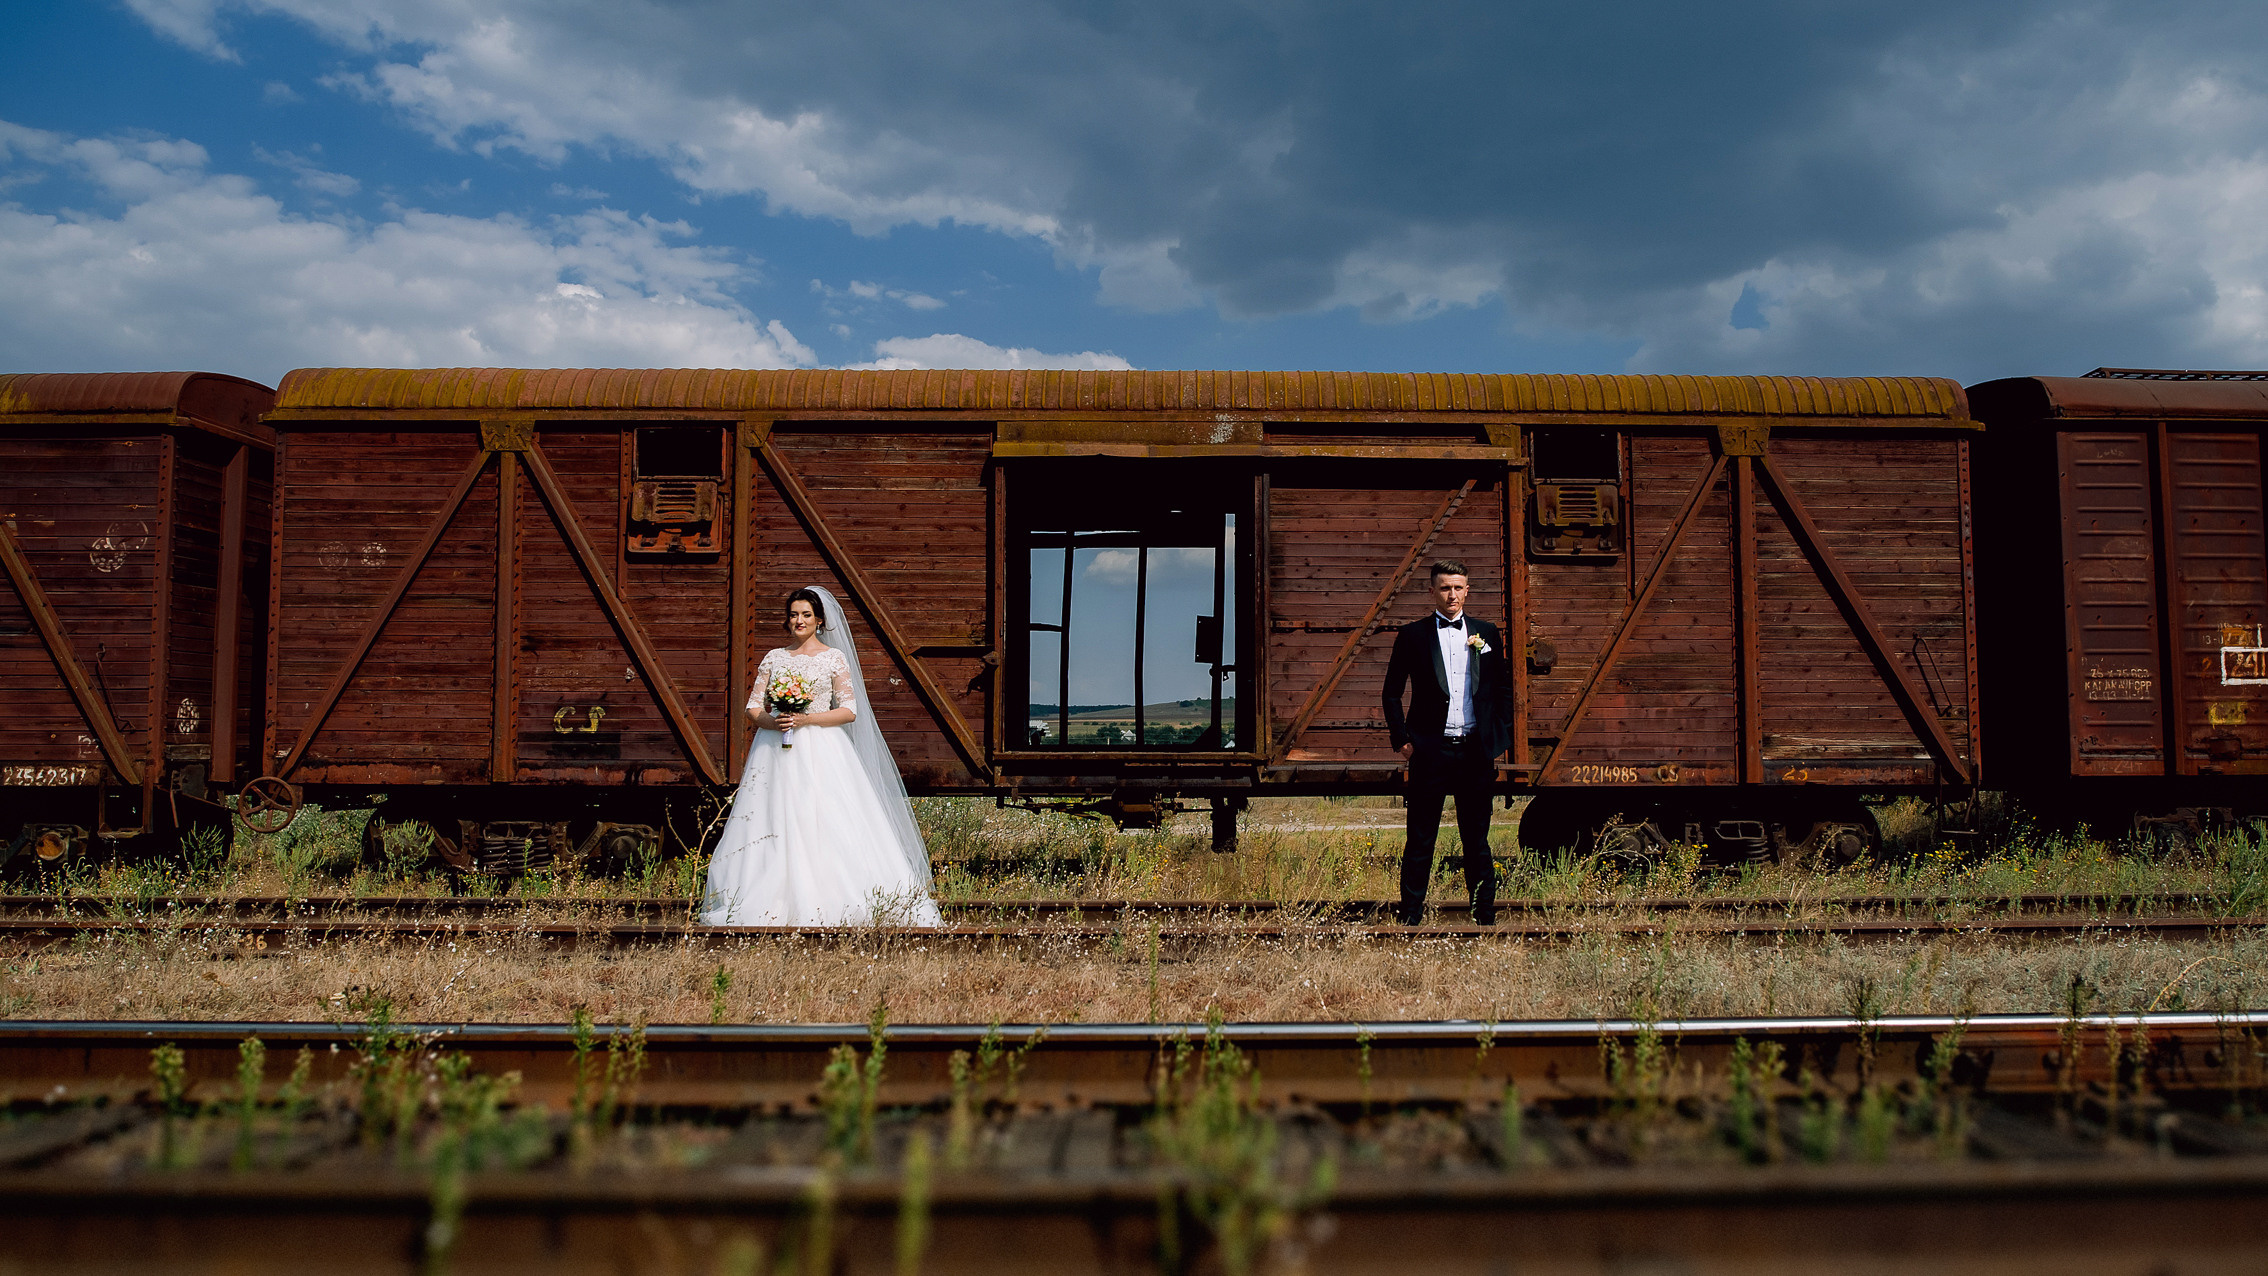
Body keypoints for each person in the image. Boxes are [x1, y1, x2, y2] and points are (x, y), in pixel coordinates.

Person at [700, 586, 943, 927]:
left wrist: (806, 719)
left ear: (819, 620)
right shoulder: (775, 657)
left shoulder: (833, 658)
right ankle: (771, 897)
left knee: (825, 817)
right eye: (794, 614)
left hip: (822, 749)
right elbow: (753, 708)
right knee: (773, 817)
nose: (798, 621)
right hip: (775, 750)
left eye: (806, 615)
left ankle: (832, 897)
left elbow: (849, 711)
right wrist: (776, 720)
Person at [1381, 560, 1514, 926]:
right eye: (1444, 588)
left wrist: (1498, 737)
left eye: (1458, 587)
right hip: (1430, 752)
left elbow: (1503, 688)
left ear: (1467, 590)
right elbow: (1391, 692)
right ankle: (1410, 917)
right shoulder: (1413, 635)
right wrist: (1402, 740)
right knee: (1421, 839)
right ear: (1432, 592)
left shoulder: (1487, 633)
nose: (1452, 594)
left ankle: (1484, 916)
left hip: (1475, 752)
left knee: (1477, 840)